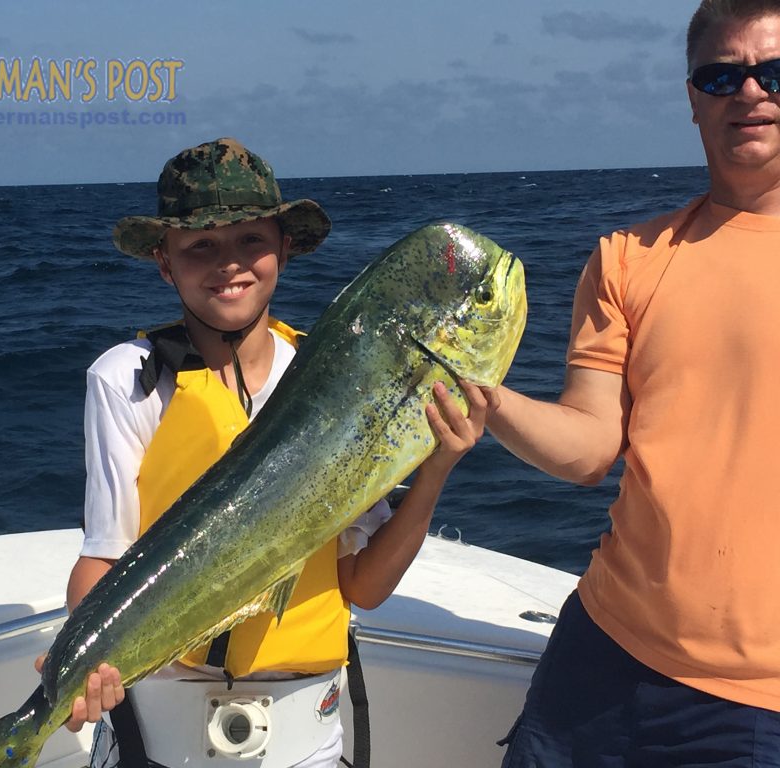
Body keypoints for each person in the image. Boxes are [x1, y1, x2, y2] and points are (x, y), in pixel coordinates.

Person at [56, 137, 488, 768]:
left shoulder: (337, 378)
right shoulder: (128, 377)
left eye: (249, 241)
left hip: (308, 737)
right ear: (164, 262)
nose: (228, 264)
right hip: (158, 734)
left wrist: (435, 471)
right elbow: (105, 554)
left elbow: (363, 587)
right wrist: (81, 663)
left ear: (285, 247)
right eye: (199, 245)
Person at [488, 2, 780, 764]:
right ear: (692, 99)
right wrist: (484, 399)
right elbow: (588, 448)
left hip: (760, 701)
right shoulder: (626, 258)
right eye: (723, 76)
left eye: (774, 73)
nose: (750, 93)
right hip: (602, 652)